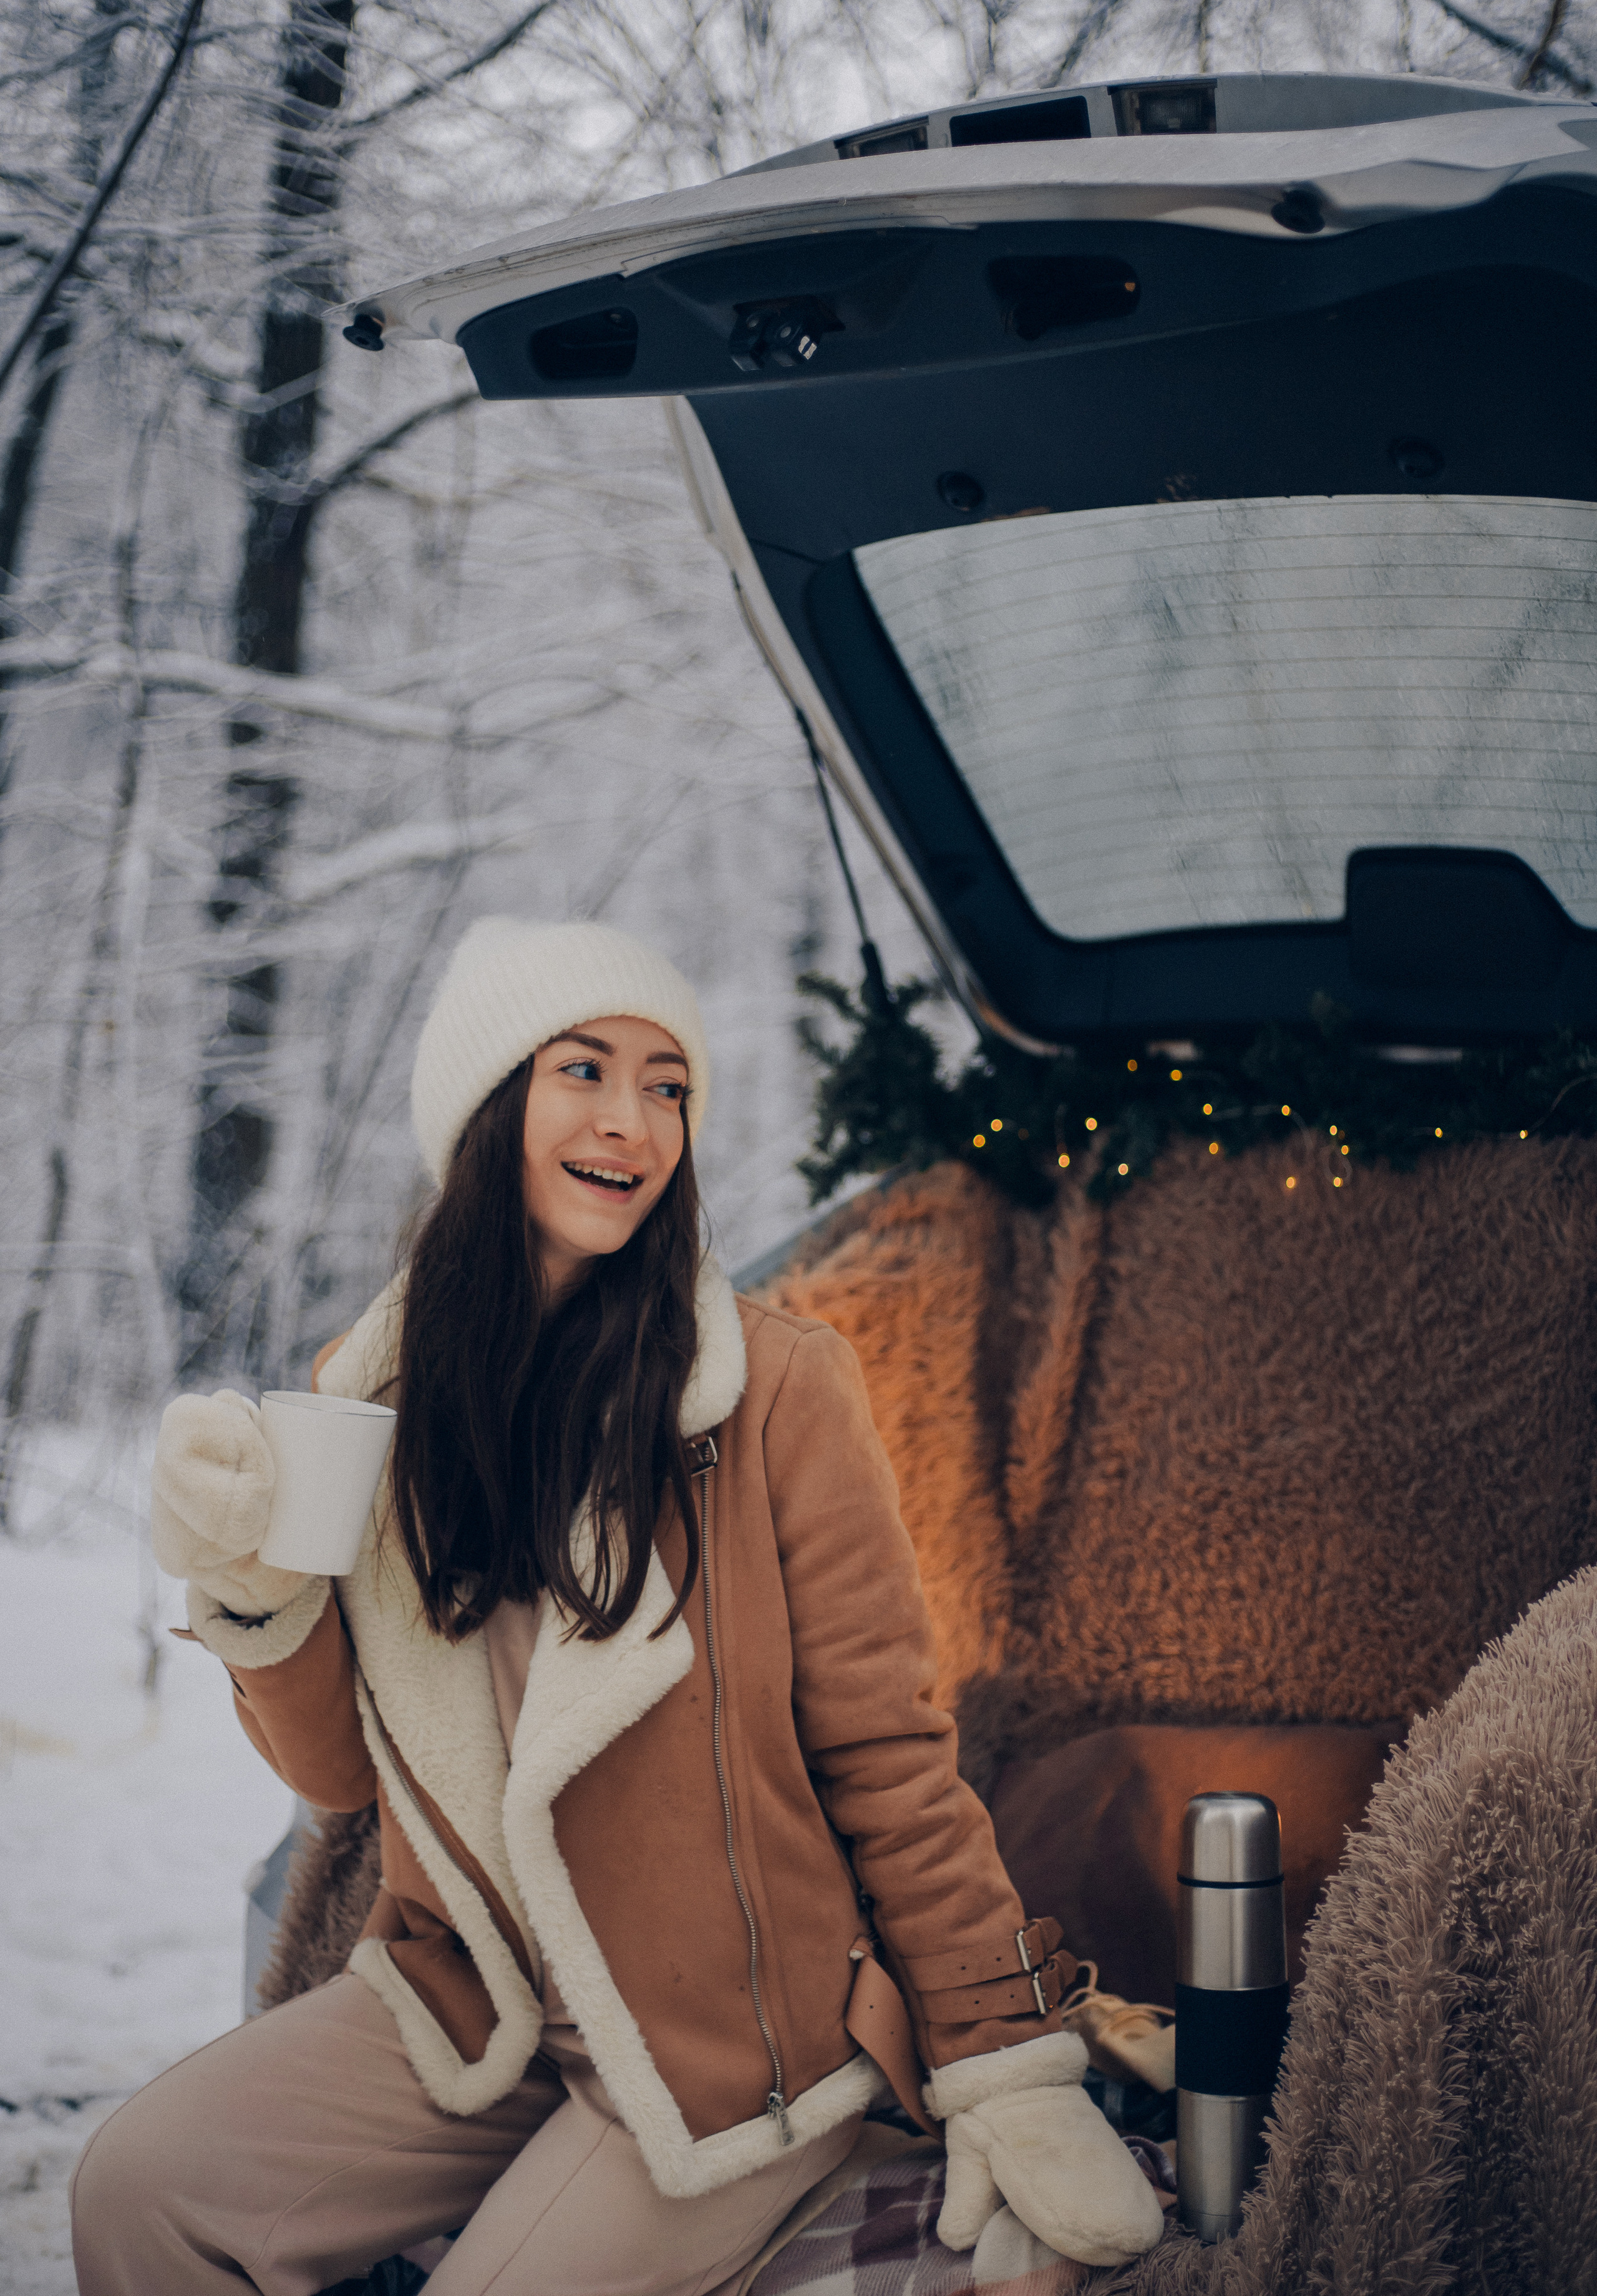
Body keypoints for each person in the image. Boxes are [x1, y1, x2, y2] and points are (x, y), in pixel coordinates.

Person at [71, 919, 1162, 2295]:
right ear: (488, 1106)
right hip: (479, 2011)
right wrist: (249, 1591)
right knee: (139, 2191)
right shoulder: (368, 1403)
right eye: (583, 1070)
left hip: (723, 2048)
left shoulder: (771, 1392)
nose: (632, 1121)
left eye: (667, 1087)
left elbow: (887, 1761)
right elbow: (340, 1772)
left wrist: (1003, 2066)